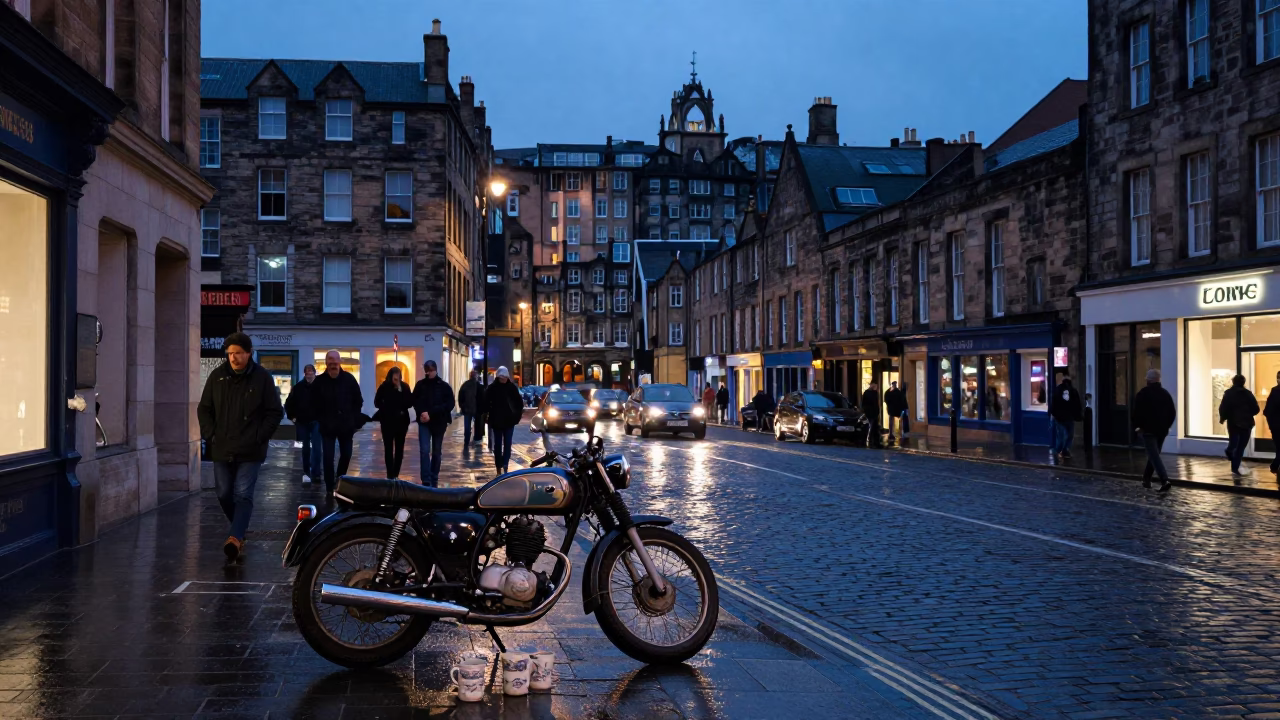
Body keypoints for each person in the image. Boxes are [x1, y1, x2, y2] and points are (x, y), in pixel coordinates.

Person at [197, 332, 283, 563]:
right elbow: (204, 408)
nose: (233, 358)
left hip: (251, 448)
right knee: (224, 493)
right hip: (222, 446)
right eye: (230, 354)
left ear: (248, 353)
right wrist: (210, 434)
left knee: (243, 494)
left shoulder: (262, 378)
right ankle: (240, 528)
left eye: (238, 353)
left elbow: (275, 411)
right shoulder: (217, 376)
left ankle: (235, 537)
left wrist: (260, 436)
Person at [313, 350, 363, 495]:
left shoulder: (349, 379)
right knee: (328, 458)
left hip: (346, 425)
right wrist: (321, 419)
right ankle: (329, 486)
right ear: (326, 362)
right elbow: (313, 403)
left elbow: (358, 400)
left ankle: (340, 479)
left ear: (340, 362)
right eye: (330, 359)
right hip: (327, 426)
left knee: (346, 454)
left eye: (335, 360)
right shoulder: (319, 381)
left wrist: (353, 420)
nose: (333, 362)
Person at [1132, 368, 1176, 492]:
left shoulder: (1143, 393)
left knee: (1154, 456)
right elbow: (1172, 412)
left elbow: (1137, 412)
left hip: (1148, 430)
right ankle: (1146, 479)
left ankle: (1164, 480)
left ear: (1149, 381)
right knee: (1154, 454)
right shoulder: (1165, 394)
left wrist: (1137, 426)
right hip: (1162, 430)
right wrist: (1167, 426)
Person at [412, 360, 455, 487]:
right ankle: (426, 478)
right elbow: (415, 400)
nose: (429, 373)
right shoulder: (421, 385)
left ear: (435, 370)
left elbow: (450, 404)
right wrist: (421, 413)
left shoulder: (443, 386)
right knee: (424, 450)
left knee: (436, 451)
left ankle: (434, 475)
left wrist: (430, 413)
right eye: (427, 370)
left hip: (439, 422)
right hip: (424, 421)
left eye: (431, 370)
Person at [284, 364, 322, 485]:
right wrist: (293, 417)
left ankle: (315, 473)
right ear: (305, 374)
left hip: (316, 420)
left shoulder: (320, 387)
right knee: (306, 448)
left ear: (314, 373)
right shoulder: (299, 387)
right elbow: (289, 403)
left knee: (316, 447)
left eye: (311, 372)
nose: (309, 374)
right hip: (303, 421)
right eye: (307, 372)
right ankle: (307, 471)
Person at [483, 366, 524, 475]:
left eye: (504, 377)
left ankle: (505, 465)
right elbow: (485, 403)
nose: (503, 379)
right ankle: (499, 467)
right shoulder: (492, 388)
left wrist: (516, 417)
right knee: (498, 445)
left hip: (509, 421)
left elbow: (519, 404)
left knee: (507, 444)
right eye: (501, 377)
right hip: (497, 421)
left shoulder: (512, 388)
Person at [374, 367, 414, 479]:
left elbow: (409, 402)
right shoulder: (384, 387)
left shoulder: (404, 387)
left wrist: (399, 391)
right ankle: (390, 474)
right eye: (394, 376)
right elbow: (377, 402)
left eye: (398, 376)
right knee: (388, 448)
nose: (396, 379)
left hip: (401, 423)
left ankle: (396, 473)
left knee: (399, 448)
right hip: (387, 422)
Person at [1219, 374, 1260, 477]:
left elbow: (1223, 407)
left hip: (1233, 422)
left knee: (1233, 442)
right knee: (1241, 447)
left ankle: (1229, 451)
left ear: (1233, 382)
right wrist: (1248, 414)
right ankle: (1235, 467)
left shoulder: (1228, 394)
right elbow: (1256, 409)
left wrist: (1223, 418)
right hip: (1246, 423)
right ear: (1243, 382)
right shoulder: (1248, 394)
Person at [1050, 375, 1083, 461]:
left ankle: (1058, 451)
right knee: (1069, 435)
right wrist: (1078, 416)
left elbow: (1053, 403)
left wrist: (1053, 414)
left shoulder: (1058, 390)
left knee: (1061, 436)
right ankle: (1064, 450)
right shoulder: (1073, 391)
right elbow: (1077, 405)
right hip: (1069, 417)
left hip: (1060, 418)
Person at [458, 369, 483, 446]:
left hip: (467, 409)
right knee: (477, 424)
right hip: (476, 409)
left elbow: (460, 397)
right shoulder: (479, 386)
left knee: (467, 426)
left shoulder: (465, 385)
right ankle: (476, 438)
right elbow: (482, 398)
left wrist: (462, 407)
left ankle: (467, 440)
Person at [884, 381, 908, 445]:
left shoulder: (889, 392)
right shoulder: (895, 392)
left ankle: (893, 433)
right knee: (897, 420)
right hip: (896, 409)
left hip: (893, 409)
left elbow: (886, 399)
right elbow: (902, 398)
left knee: (893, 420)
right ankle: (895, 433)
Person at [1265, 371, 1280, 475]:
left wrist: (1271, 423)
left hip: (1276, 425)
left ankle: (1275, 465)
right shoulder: (1275, 391)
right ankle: (1275, 465)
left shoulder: (1275, 391)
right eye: (1278, 377)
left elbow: (1268, 410)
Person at [861, 381, 882, 448]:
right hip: (869, 412)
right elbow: (864, 403)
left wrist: (878, 411)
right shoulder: (866, 393)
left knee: (875, 427)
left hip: (875, 412)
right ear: (871, 385)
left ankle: (875, 442)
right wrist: (865, 411)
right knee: (870, 427)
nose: (875, 387)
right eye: (874, 385)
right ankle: (869, 441)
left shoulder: (875, 393)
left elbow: (876, 403)